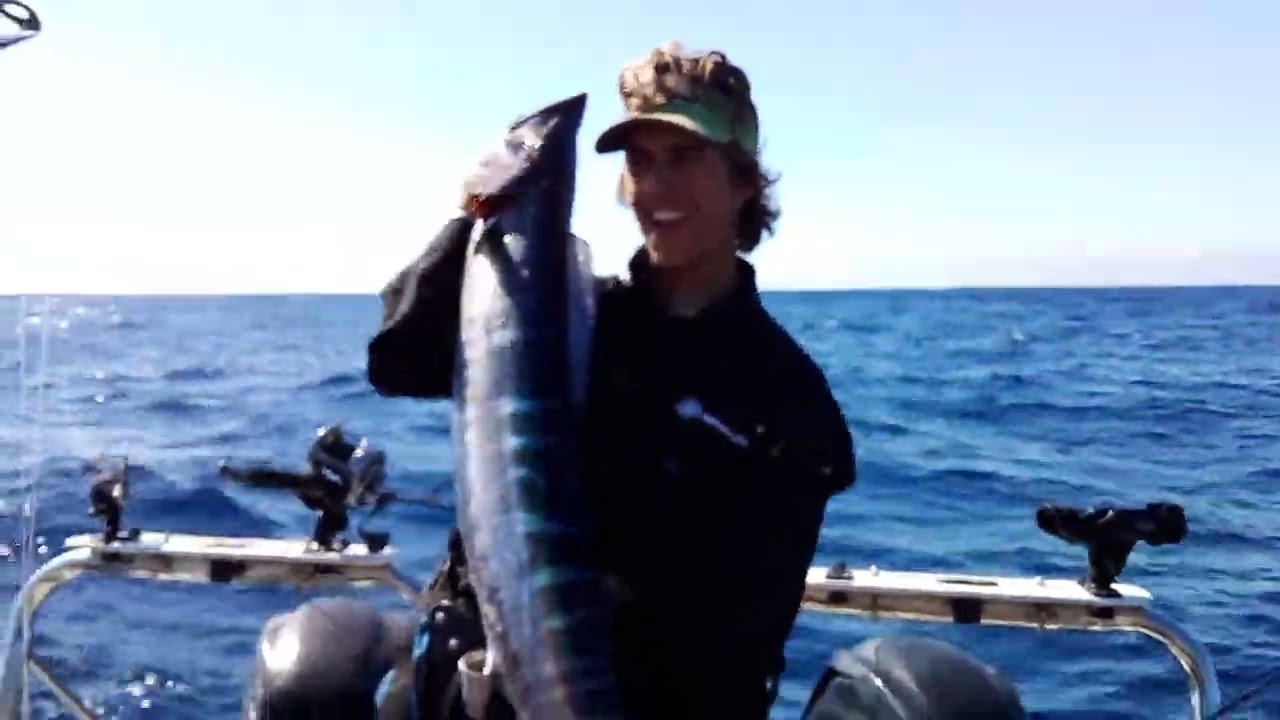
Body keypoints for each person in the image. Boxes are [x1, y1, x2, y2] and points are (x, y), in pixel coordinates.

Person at [367, 41, 856, 719]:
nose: (655, 188)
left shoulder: (786, 397)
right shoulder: (564, 319)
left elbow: (742, 635)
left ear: (744, 180)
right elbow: (400, 361)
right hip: (480, 687)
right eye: (640, 162)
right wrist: (472, 224)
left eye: (684, 159)